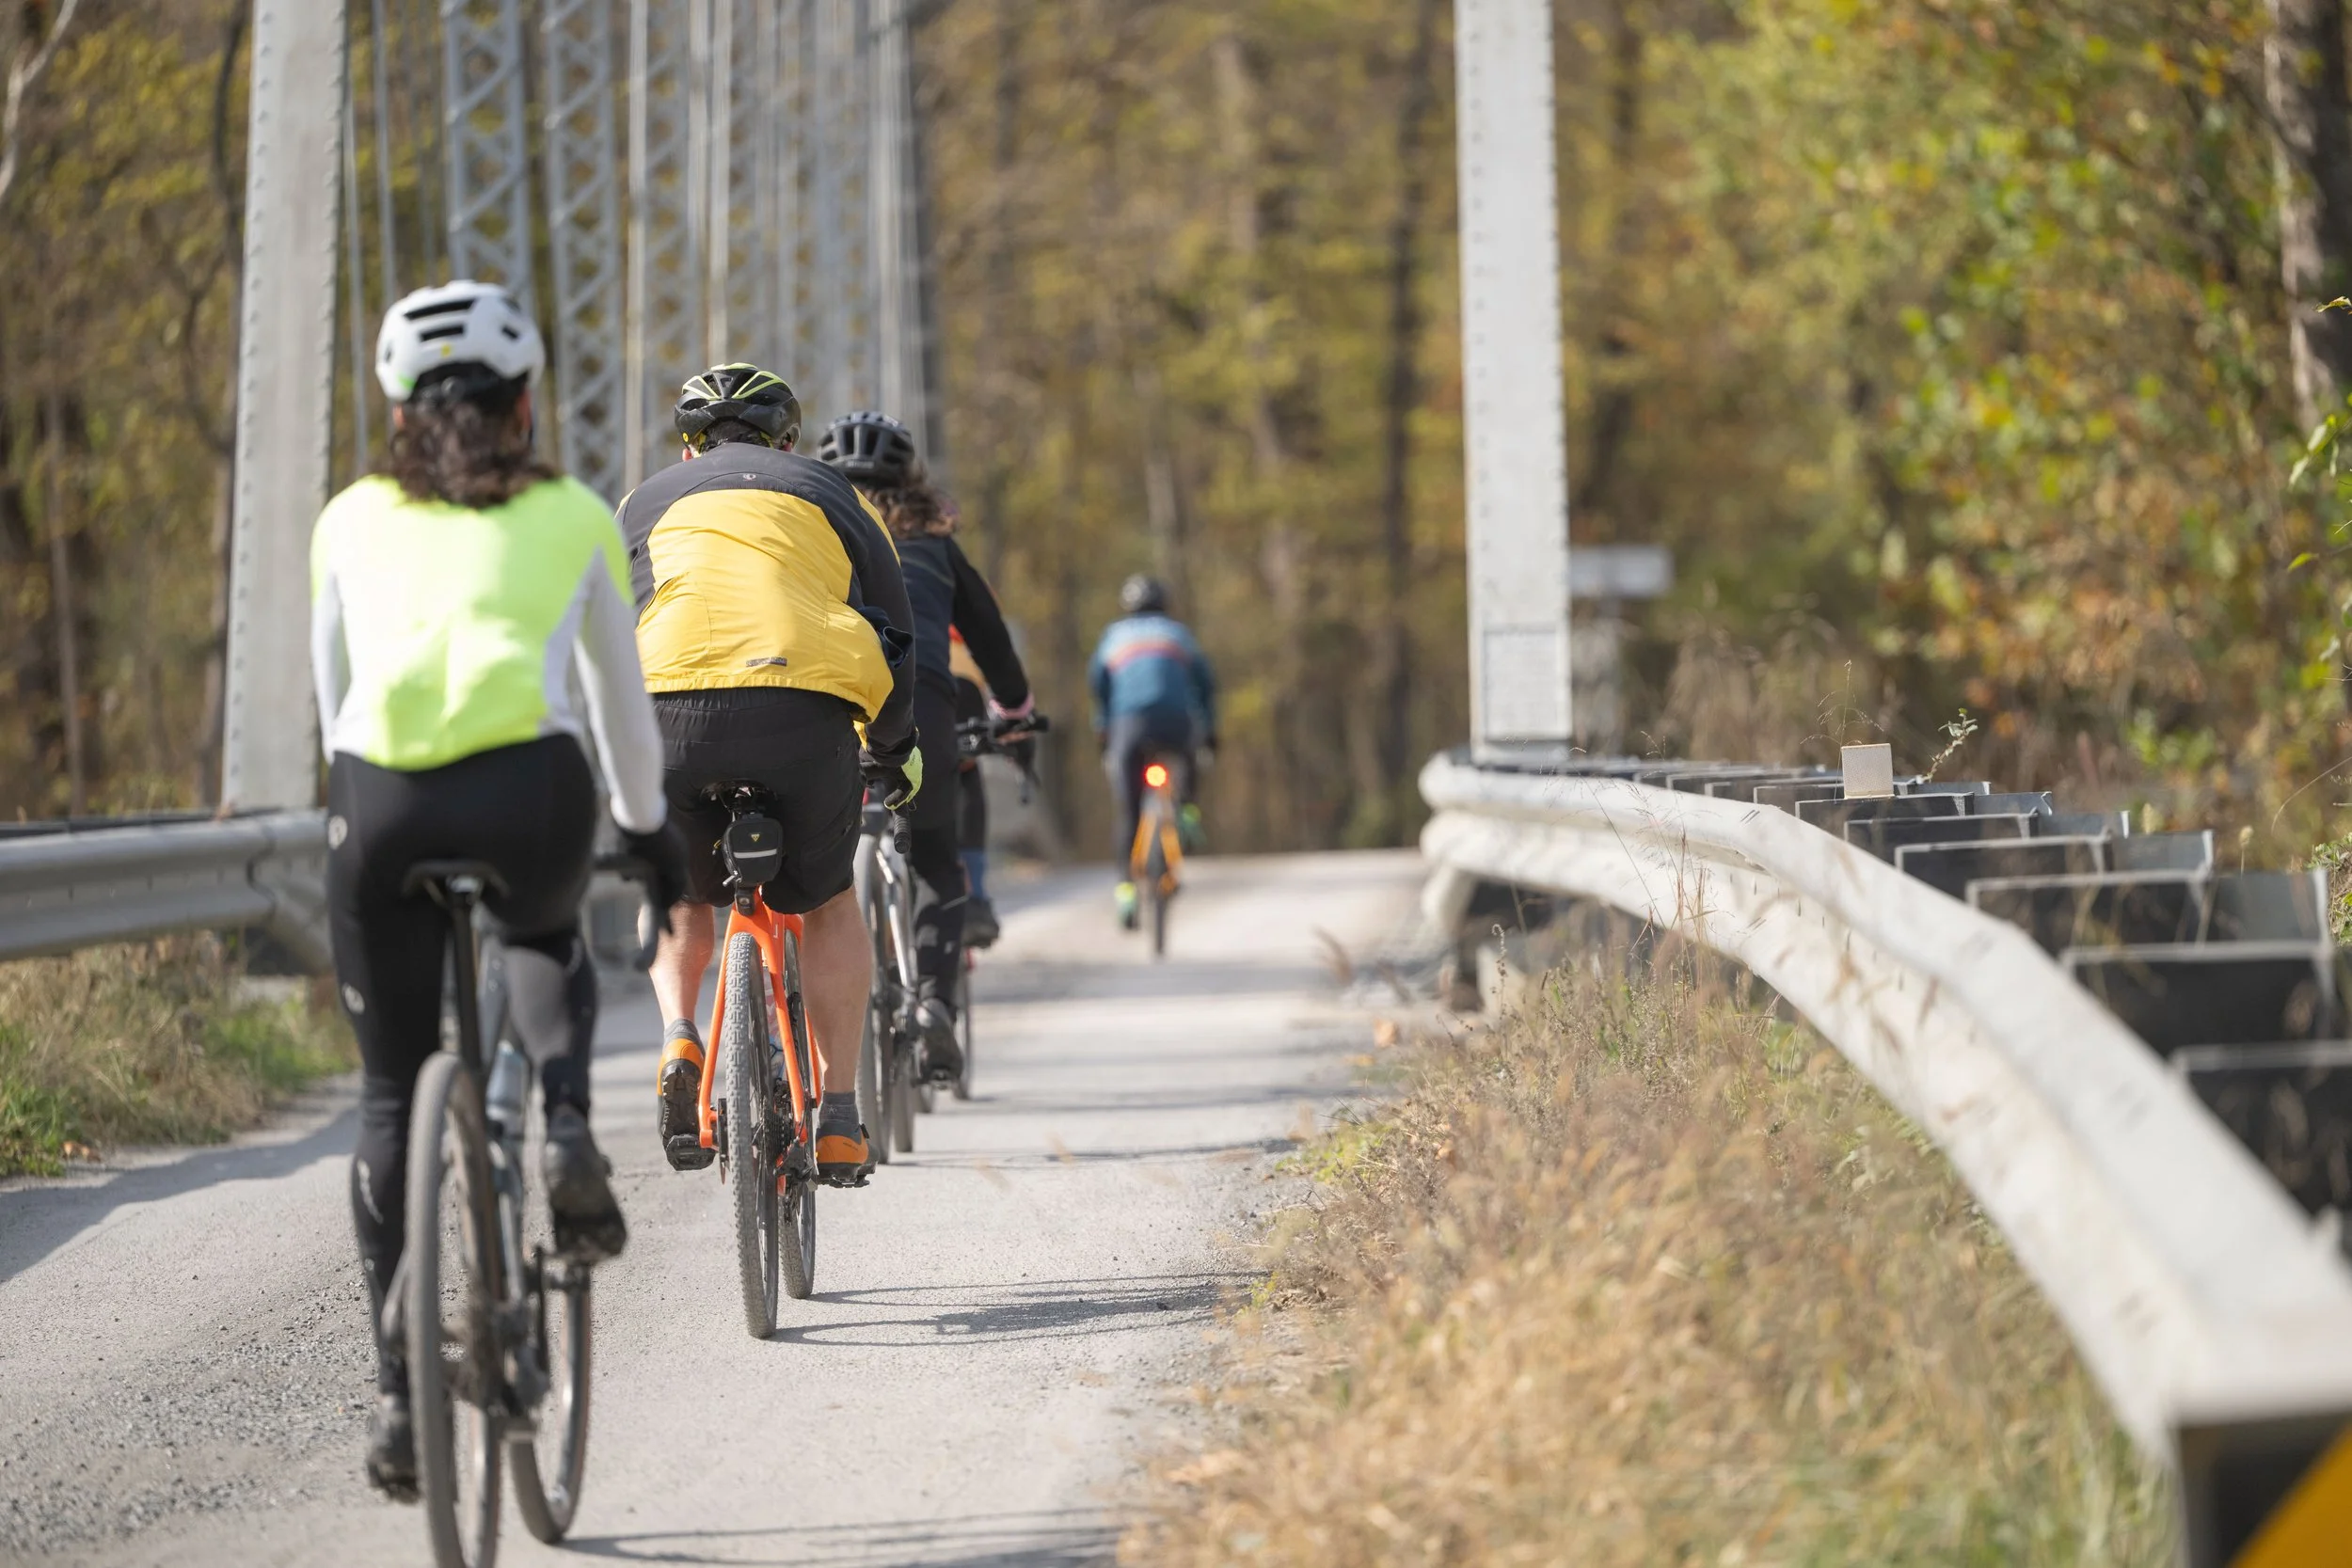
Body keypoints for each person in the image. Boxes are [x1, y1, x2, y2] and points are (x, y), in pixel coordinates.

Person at [312, 279, 688, 1498]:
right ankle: (569, 1122)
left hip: (381, 804)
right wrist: (649, 834)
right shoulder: (576, 511)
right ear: (525, 402)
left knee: (385, 1095)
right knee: (544, 931)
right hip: (530, 790)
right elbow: (620, 712)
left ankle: (396, 1392)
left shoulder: (347, 517)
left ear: (399, 411)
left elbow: (336, 699)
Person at [618, 364, 920, 1186]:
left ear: (688, 447)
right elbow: (895, 632)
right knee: (824, 902)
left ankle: (682, 1033)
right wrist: (893, 749)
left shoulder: (642, 502)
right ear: (789, 440)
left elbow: (607, 631)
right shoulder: (832, 491)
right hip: (801, 708)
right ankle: (843, 1116)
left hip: (668, 709)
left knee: (683, 893)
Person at [818, 413, 1033, 1075]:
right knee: (939, 863)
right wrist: (1017, 708)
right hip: (924, 713)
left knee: (812, 872)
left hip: (827, 714)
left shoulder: (809, 531)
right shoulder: (937, 546)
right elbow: (990, 635)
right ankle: (935, 1003)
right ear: (911, 481)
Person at [1089, 574, 1216, 928]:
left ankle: (1126, 892)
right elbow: (1206, 684)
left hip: (1128, 726)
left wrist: (1102, 732)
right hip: (1176, 723)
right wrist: (1210, 732)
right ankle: (1188, 813)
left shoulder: (1112, 636)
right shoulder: (1178, 633)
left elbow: (1099, 688)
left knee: (1129, 812)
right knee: (1190, 757)